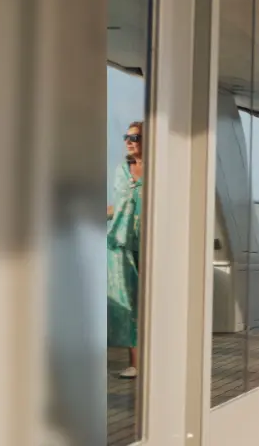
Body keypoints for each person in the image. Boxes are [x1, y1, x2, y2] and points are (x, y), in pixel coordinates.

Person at [109, 121, 145, 379]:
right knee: (129, 301)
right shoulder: (121, 170)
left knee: (152, 299)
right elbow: (118, 206)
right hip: (121, 241)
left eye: (135, 137)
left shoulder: (159, 170)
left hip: (152, 241)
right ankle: (136, 363)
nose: (129, 141)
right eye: (126, 137)